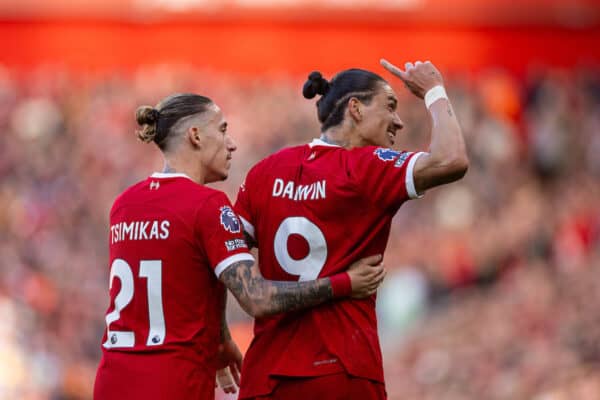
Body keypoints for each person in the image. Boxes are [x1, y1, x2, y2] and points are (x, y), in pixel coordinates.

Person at [93, 93, 386, 400]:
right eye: (222, 130)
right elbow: (257, 298)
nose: (231, 144)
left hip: (112, 381)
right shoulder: (208, 205)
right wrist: (345, 283)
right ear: (195, 136)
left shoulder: (124, 205)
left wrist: (220, 341)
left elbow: (187, 280)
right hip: (173, 382)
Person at [233, 59, 469, 399]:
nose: (399, 121)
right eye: (390, 106)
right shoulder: (368, 167)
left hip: (265, 377)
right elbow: (452, 159)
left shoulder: (265, 172)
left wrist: (220, 337)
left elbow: (221, 262)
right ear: (355, 109)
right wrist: (434, 91)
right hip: (342, 368)